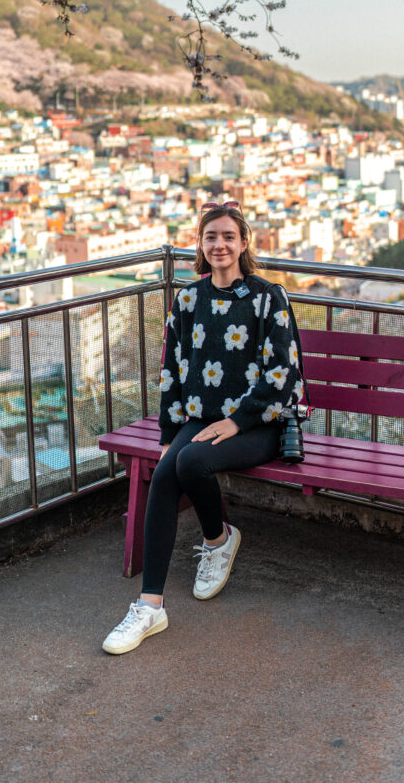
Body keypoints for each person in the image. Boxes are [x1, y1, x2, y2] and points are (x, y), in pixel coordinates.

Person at [102, 200, 301, 655]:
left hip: (259, 424)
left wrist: (236, 422)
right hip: (201, 422)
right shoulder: (189, 299)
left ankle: (218, 539)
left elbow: (282, 374)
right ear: (201, 244)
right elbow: (172, 371)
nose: (220, 245)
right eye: (211, 237)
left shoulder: (269, 297)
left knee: (190, 461)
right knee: (171, 466)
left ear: (244, 243)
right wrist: (170, 433)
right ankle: (150, 604)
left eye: (229, 236)